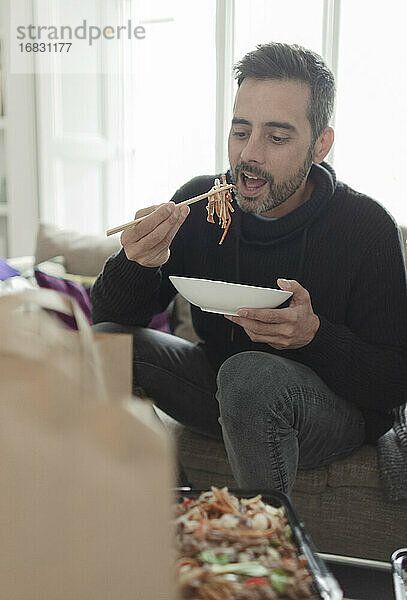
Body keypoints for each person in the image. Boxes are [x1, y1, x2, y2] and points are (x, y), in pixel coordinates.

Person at [91, 42, 407, 494]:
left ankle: (259, 543)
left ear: (321, 144)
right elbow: (112, 318)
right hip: (219, 389)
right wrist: (137, 262)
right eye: (241, 132)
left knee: (251, 374)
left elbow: (396, 381)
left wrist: (314, 338)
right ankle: (175, 513)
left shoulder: (366, 227)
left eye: (277, 138)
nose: (249, 155)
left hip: (328, 412)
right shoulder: (201, 202)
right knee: (106, 347)